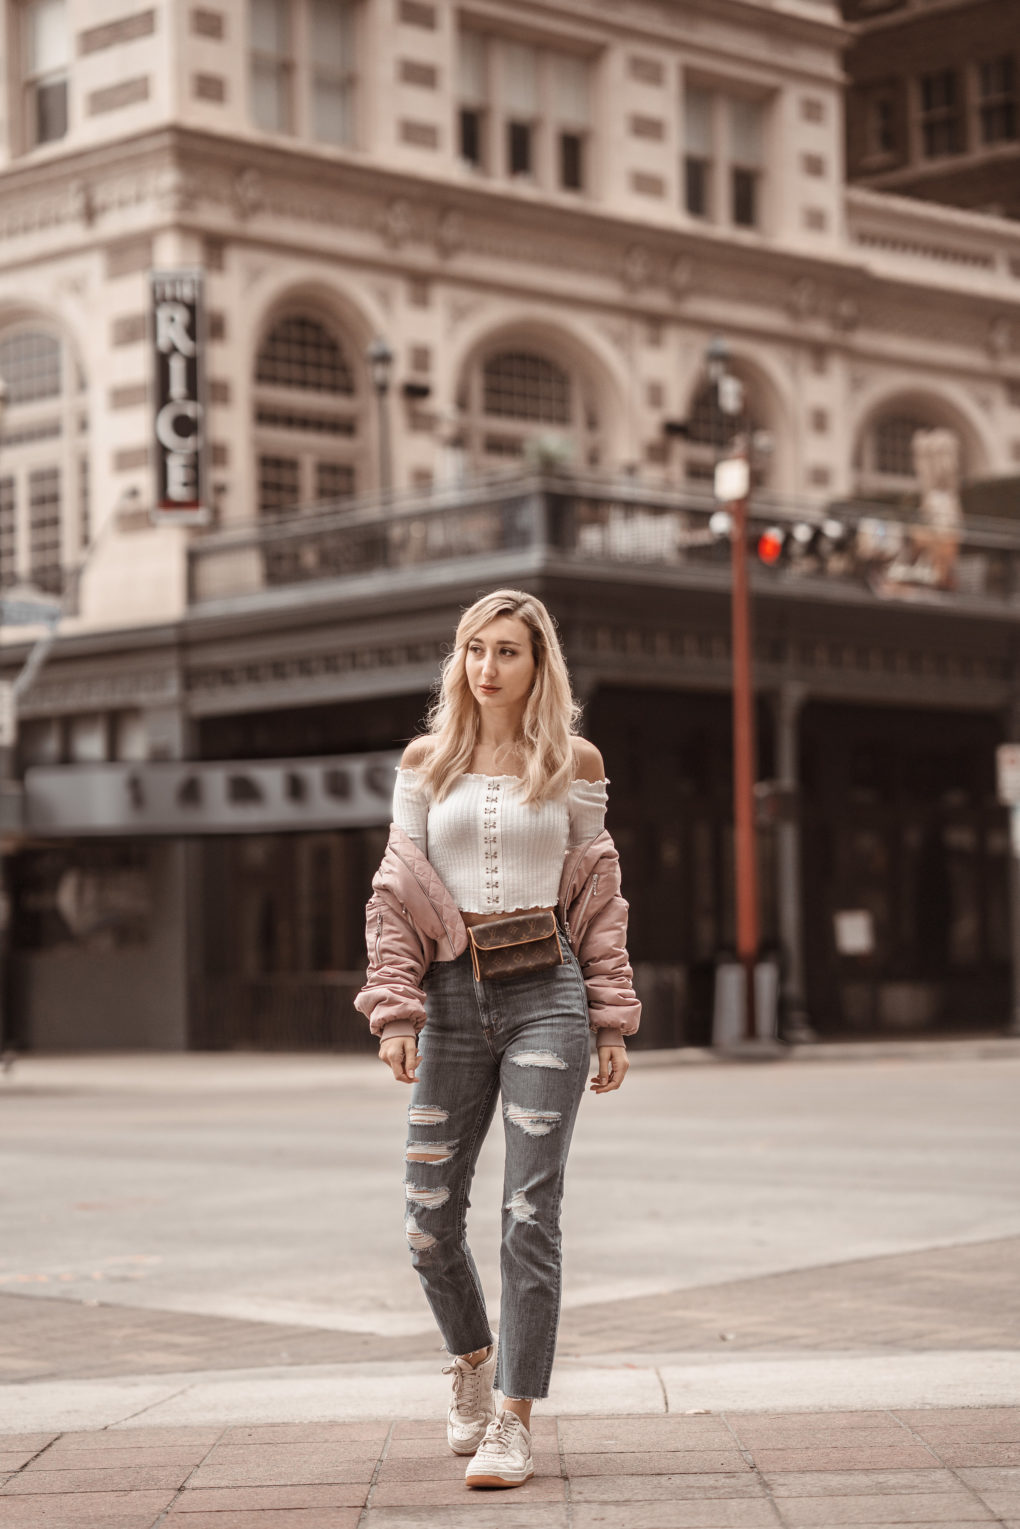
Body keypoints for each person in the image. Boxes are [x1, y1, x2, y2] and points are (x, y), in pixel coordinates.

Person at [355, 588, 640, 1489]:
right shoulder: (425, 763)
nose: (488, 667)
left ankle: (514, 1418)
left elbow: (598, 898)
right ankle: (471, 1361)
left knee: (529, 1213)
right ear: (460, 660)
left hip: (545, 998)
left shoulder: (572, 762)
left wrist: (610, 1015)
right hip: (446, 1001)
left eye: (508, 651)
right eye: (475, 649)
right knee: (428, 1224)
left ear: (536, 663)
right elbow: (395, 896)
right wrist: (396, 1008)